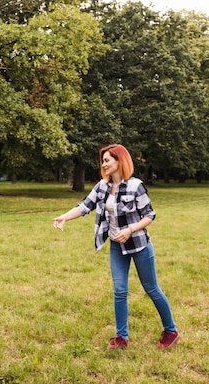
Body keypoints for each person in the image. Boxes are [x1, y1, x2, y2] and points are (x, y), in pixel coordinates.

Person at [53, 144, 179, 350]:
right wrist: (64, 217)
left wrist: (130, 230)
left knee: (151, 288)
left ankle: (171, 331)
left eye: (107, 160)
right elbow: (85, 205)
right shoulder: (102, 186)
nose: (103, 164)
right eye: (102, 161)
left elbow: (150, 215)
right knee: (119, 291)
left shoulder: (136, 186)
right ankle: (122, 338)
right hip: (116, 247)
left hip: (139, 245)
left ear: (119, 160)